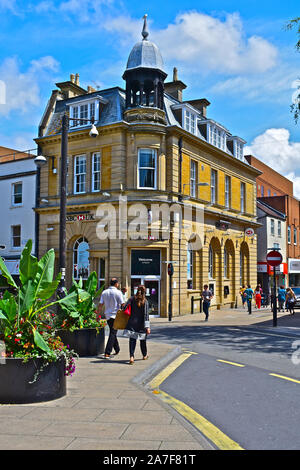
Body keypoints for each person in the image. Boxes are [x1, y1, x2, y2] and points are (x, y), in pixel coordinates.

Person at [122, 285, 150, 365]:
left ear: (137, 290)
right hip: (141, 324)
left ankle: (131, 357)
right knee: (143, 340)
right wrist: (147, 327)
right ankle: (144, 355)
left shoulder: (131, 299)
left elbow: (124, 308)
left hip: (132, 323)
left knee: (132, 340)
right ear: (145, 292)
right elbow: (146, 315)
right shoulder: (145, 301)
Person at [98, 278, 125, 358]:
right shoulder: (118, 292)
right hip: (116, 315)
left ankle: (117, 349)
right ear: (116, 284)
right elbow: (122, 304)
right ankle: (107, 352)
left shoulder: (104, 292)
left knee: (113, 332)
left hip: (107, 315)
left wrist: (97, 315)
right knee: (113, 333)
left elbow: (100, 305)